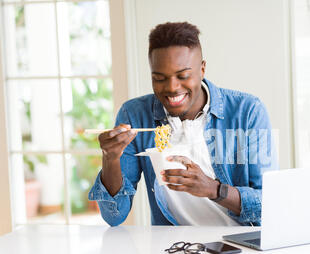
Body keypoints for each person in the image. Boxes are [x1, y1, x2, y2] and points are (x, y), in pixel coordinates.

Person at [88, 21, 278, 227]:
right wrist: (110, 158)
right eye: (159, 78)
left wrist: (214, 189)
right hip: (175, 249)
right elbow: (114, 216)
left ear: (202, 69)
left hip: (240, 246)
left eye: (183, 76)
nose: (172, 88)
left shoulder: (248, 112)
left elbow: (270, 206)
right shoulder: (134, 115)